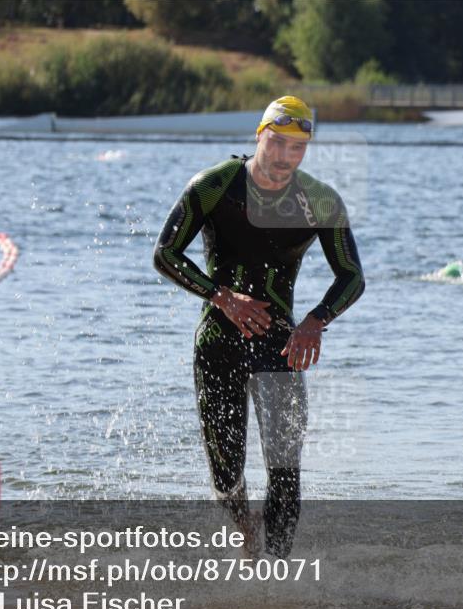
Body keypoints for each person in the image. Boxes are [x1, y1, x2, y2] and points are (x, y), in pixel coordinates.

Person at [153, 96, 365, 559]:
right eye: (278, 142)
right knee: (226, 476)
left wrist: (314, 322)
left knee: (286, 472)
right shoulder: (215, 185)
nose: (286, 156)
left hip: (282, 346)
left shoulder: (320, 200)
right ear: (259, 134)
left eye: (297, 148)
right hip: (219, 344)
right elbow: (165, 254)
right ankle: (245, 532)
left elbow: (352, 276)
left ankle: (278, 576)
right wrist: (222, 297)